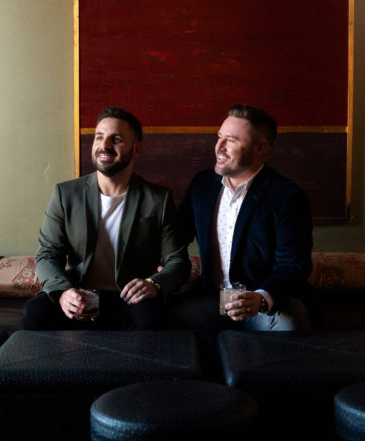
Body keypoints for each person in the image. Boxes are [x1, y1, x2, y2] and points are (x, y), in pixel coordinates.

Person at [21, 106, 191, 330]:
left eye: (116, 139)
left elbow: (178, 261)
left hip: (130, 299)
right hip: (80, 293)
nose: (104, 146)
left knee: (153, 317)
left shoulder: (158, 199)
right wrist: (62, 292)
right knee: (34, 313)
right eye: (99, 137)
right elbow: (47, 254)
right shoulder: (66, 194)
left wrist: (155, 284)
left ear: (136, 149)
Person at [175, 104, 313, 334]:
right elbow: (177, 234)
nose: (219, 147)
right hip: (212, 300)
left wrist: (261, 299)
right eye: (219, 137)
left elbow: (294, 264)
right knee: (162, 319)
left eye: (230, 140)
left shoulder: (287, 197)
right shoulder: (202, 185)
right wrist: (163, 268)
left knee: (288, 326)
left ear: (260, 147)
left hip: (265, 303)